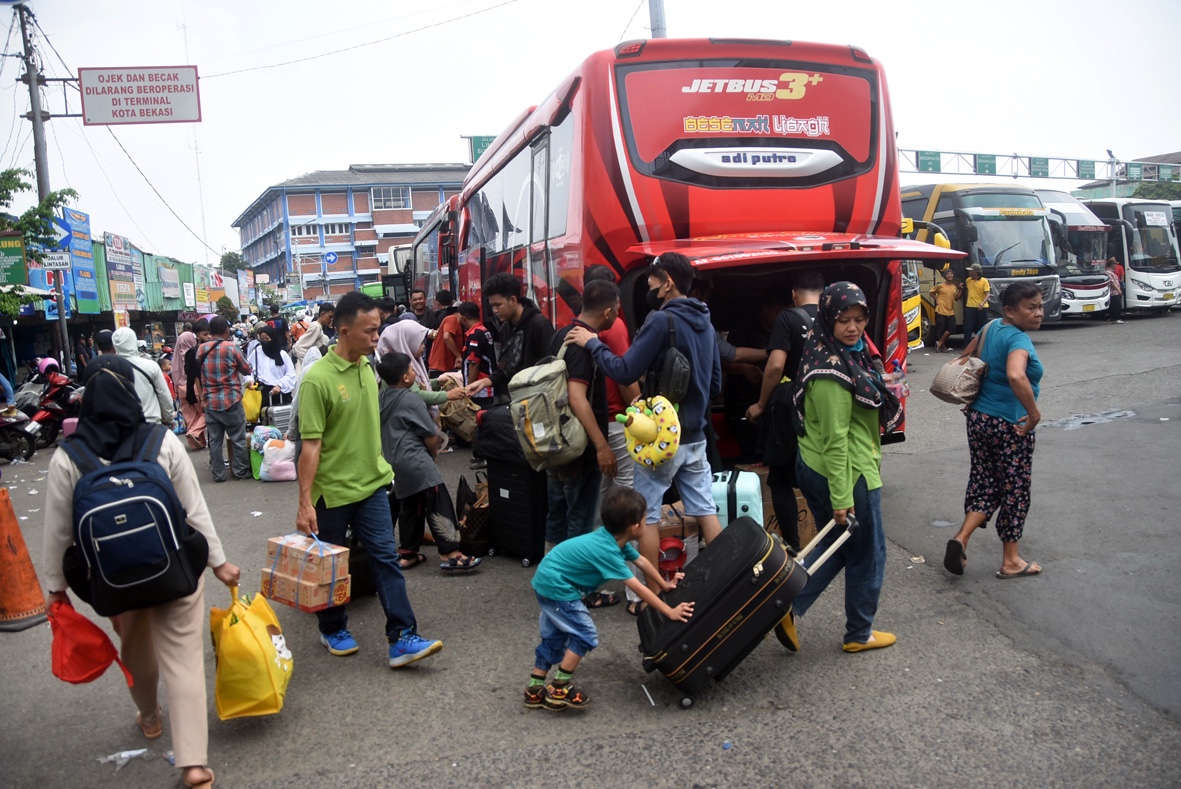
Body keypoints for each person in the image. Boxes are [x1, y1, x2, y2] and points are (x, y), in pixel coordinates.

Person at [41, 354, 240, 789]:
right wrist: (219, 562)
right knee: (183, 659)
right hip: (175, 569)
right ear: (133, 390)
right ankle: (193, 765)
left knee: (135, 645)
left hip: (114, 579)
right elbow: (194, 510)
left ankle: (149, 715)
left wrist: (56, 588)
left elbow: (58, 530)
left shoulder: (69, 456)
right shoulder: (160, 441)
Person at [565, 252, 723, 616]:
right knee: (705, 509)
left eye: (651, 282)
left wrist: (592, 343)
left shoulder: (660, 320)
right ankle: (723, 581)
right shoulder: (705, 319)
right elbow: (715, 383)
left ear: (667, 281)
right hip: (695, 436)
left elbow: (624, 370)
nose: (647, 289)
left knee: (647, 515)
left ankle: (653, 596)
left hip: (660, 439)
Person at [295, 291, 442, 666]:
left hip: (372, 485)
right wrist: (305, 503)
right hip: (332, 493)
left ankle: (402, 637)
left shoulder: (367, 366)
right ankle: (332, 628)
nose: (377, 337)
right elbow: (310, 447)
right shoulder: (317, 380)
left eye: (378, 329)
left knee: (386, 560)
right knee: (332, 566)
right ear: (344, 331)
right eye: (370, 331)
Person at [778, 281, 902, 654]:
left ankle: (786, 606)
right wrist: (842, 497)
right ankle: (859, 633)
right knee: (867, 554)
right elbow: (836, 441)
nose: (853, 327)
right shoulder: (830, 374)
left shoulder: (835, 351)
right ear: (828, 318)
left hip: (818, 463)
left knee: (837, 545)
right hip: (847, 470)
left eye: (859, 319)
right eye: (844, 320)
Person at [524, 487, 694, 711]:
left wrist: (664, 584)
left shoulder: (614, 540)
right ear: (635, 527)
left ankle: (534, 689)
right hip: (557, 587)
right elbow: (637, 587)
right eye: (645, 519)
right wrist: (669, 611)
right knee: (585, 634)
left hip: (549, 580)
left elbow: (642, 561)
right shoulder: (608, 551)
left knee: (555, 636)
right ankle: (560, 687)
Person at [943, 281, 1044, 580]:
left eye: (1040, 306)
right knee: (1015, 490)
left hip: (979, 419)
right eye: (1031, 307)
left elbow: (965, 358)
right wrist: (1034, 414)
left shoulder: (990, 327)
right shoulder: (1018, 340)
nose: (1039, 312)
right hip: (1010, 425)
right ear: (1010, 311)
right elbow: (1016, 375)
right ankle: (1011, 561)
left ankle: (961, 538)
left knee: (985, 482)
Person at [376, 351, 481, 572]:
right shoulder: (411, 399)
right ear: (405, 377)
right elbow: (430, 435)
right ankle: (451, 553)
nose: (415, 371)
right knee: (438, 501)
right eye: (411, 369)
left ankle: (408, 553)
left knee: (410, 505)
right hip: (417, 460)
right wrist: (433, 455)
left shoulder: (381, 397)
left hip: (394, 460)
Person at [744, 271, 824, 551]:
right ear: (823, 291)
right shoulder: (836, 316)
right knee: (821, 470)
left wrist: (760, 404)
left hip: (791, 403)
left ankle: (793, 544)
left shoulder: (788, 318)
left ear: (793, 294)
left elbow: (776, 365)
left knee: (780, 477)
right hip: (827, 401)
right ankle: (827, 538)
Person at [544, 280, 619, 550]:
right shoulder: (583, 343)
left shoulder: (561, 334)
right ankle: (576, 577)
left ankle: (552, 571)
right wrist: (601, 447)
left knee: (556, 514)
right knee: (580, 519)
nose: (617, 314)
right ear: (608, 311)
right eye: (617, 309)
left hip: (556, 442)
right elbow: (577, 397)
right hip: (578, 447)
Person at [479, 273, 555, 401]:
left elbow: (553, 366)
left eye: (498, 305)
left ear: (513, 300)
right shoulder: (504, 329)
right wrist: (485, 382)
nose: (495, 311)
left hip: (539, 399)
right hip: (516, 399)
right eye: (492, 306)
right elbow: (507, 367)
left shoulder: (539, 325)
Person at [196, 317, 252, 483]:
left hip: (211, 401)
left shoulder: (201, 349)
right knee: (238, 439)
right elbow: (247, 369)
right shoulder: (232, 348)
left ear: (210, 331)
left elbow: (199, 368)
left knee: (215, 441)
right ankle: (241, 472)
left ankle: (218, 474)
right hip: (231, 399)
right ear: (226, 330)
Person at [377, 320, 466, 414]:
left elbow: (416, 385)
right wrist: (447, 395)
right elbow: (416, 394)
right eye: (420, 342)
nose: (424, 346)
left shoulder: (407, 362)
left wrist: (437, 382)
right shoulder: (394, 368)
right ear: (406, 342)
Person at [112, 327, 175, 426]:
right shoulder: (151, 366)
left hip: (122, 426)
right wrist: (169, 418)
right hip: (151, 423)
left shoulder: (109, 369)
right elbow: (163, 395)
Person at [178, 320, 210, 450]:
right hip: (198, 388)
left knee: (192, 416)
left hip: (185, 388)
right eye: (205, 334)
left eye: (209, 334)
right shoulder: (197, 352)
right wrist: (202, 397)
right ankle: (194, 433)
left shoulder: (183, 353)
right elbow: (196, 376)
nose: (208, 337)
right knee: (206, 414)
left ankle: (198, 443)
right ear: (196, 335)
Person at [247, 325, 297, 406]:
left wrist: (280, 385)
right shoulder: (257, 353)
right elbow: (248, 370)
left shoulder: (282, 355)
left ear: (273, 338)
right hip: (262, 394)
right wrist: (250, 380)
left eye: (267, 339)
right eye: (262, 339)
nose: (264, 342)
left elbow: (291, 373)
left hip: (280, 394)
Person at [459, 302, 496, 406]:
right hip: (485, 387)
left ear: (463, 318)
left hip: (480, 391)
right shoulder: (483, 330)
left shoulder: (475, 335)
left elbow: (474, 364)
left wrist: (469, 389)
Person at [427, 299, 465, 378]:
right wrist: (458, 356)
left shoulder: (458, 324)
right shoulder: (452, 319)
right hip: (440, 367)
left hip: (445, 367)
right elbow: (447, 337)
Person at [931, 268, 963, 352]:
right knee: (940, 330)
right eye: (948, 274)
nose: (950, 275)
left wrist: (961, 289)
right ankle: (943, 347)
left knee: (952, 328)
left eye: (951, 274)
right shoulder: (940, 286)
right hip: (940, 310)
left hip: (950, 311)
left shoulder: (954, 287)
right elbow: (931, 292)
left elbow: (956, 298)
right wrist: (937, 299)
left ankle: (939, 342)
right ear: (945, 276)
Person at [963, 262, 991, 343]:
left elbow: (987, 294)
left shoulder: (984, 281)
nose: (969, 272)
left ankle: (979, 344)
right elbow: (967, 291)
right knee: (968, 327)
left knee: (980, 327)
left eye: (971, 271)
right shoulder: (968, 280)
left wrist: (982, 303)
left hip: (981, 307)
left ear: (976, 272)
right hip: (970, 306)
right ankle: (966, 345)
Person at [1104, 258, 1125, 324]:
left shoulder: (1111, 272)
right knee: (1117, 305)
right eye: (1115, 264)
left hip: (1114, 292)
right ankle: (1116, 318)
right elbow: (1112, 283)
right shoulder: (1108, 272)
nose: (1116, 265)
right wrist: (1118, 290)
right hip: (1114, 292)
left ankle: (1113, 317)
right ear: (1112, 264)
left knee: (1113, 305)